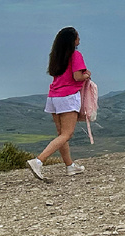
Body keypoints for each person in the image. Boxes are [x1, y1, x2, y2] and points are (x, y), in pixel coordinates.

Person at [27, 26, 91, 181]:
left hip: (53, 97)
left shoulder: (56, 56)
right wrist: (87, 75)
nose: (79, 40)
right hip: (68, 97)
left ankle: (70, 166)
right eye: (77, 37)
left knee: (61, 134)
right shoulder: (76, 55)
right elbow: (77, 77)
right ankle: (38, 161)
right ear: (72, 40)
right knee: (66, 134)